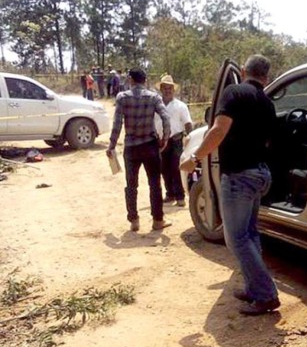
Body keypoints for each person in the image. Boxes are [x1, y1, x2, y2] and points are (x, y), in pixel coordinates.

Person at [180, 55, 279, 315]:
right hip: (260, 175)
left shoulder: (233, 92)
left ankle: (266, 294)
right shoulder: (268, 104)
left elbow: (218, 130)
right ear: (266, 77)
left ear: (244, 71)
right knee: (249, 233)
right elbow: (268, 142)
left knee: (235, 238)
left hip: (239, 177)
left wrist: (195, 158)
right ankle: (253, 287)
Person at [106, 67, 172, 232]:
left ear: (131, 79)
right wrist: (165, 138)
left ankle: (134, 220)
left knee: (131, 185)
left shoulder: (122, 98)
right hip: (150, 145)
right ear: (145, 80)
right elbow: (166, 117)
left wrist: (112, 145)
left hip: (131, 147)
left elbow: (117, 124)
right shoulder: (153, 97)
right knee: (155, 184)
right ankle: (157, 220)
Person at [155, 74, 193, 207]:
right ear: (161, 89)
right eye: (165, 88)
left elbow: (188, 124)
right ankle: (169, 194)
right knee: (163, 169)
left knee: (176, 168)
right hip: (160, 141)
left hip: (176, 140)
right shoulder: (156, 105)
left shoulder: (181, 106)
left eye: (170, 88)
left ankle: (180, 196)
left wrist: (191, 139)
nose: (167, 90)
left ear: (173, 90)